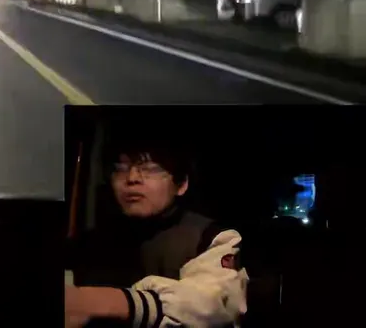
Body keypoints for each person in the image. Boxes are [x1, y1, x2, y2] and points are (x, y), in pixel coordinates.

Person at [65, 133, 248, 328]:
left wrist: (115, 303)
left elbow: (213, 303)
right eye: (120, 169)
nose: (132, 178)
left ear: (181, 184)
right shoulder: (93, 240)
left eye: (149, 169)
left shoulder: (211, 238)